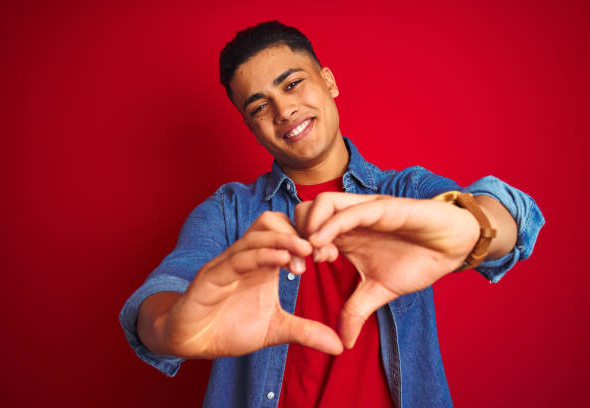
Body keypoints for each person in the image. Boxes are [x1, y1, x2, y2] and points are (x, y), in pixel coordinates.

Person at [120, 21, 544, 407]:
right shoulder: (229, 212)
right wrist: (172, 329)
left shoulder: (404, 193)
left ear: (328, 81)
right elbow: (159, 298)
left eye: (292, 84)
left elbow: (513, 216)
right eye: (259, 107)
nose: (283, 111)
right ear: (252, 129)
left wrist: (473, 225)